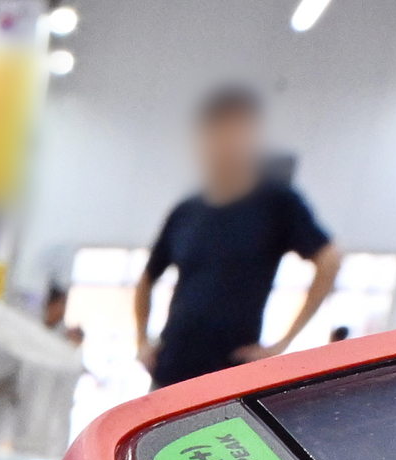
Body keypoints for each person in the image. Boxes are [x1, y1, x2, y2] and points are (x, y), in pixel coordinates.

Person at [134, 87, 341, 389]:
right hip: (171, 368)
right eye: (218, 133)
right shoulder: (186, 211)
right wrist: (142, 341)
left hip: (230, 373)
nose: (226, 143)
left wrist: (282, 344)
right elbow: (147, 277)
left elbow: (329, 259)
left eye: (236, 132)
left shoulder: (276, 203)